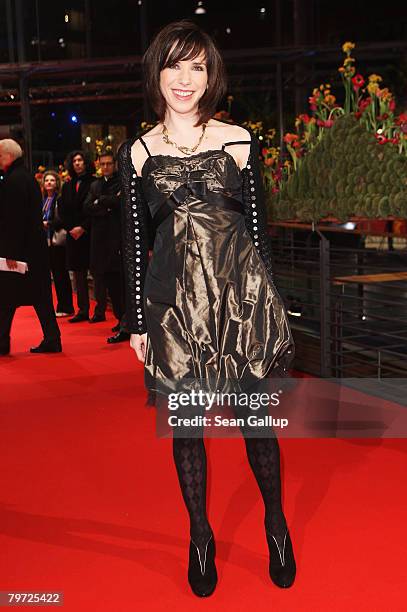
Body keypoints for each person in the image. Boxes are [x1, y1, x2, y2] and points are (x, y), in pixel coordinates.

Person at [118, 20, 296, 597]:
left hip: (240, 302)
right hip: (173, 309)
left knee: (256, 426)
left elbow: (259, 235)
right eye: (174, 66)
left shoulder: (240, 140)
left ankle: (275, 521)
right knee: (187, 431)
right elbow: (135, 244)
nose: (185, 79)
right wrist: (140, 322)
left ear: (211, 74)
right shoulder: (138, 151)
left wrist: (271, 305)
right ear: (157, 73)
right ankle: (200, 535)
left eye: (197, 66)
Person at [0, 139, 61, 355]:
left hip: (20, 252)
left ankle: (2, 342)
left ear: (8, 156)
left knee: (6, 298)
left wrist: (10, 253)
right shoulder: (25, 177)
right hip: (33, 249)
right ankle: (52, 338)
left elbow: (13, 221)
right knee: (40, 297)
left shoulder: (13, 181)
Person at [83, 150, 129, 342]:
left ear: (115, 164)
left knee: (120, 284)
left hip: (117, 239)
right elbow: (87, 207)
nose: (106, 167)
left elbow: (119, 203)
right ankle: (121, 320)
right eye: (103, 164)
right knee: (107, 282)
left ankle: (126, 322)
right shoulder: (95, 184)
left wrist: (100, 201)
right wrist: (106, 204)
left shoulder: (122, 182)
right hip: (99, 239)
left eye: (109, 163)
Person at [58, 150, 95, 323]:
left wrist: (83, 227)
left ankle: (100, 310)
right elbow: (63, 211)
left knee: (97, 272)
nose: (77, 163)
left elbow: (94, 210)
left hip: (90, 233)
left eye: (80, 160)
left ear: (86, 162)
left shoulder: (94, 183)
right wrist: (71, 228)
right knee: (78, 274)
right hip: (73, 234)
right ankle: (83, 310)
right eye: (75, 161)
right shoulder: (67, 185)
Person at [41, 170, 74, 317]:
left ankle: (66, 306)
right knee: (55, 275)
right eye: (46, 180)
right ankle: (61, 305)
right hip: (47, 241)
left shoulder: (59, 199)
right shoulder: (43, 200)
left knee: (61, 275)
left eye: (52, 180)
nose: (49, 182)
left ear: (57, 183)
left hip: (57, 240)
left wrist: (48, 223)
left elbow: (63, 219)